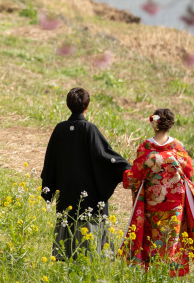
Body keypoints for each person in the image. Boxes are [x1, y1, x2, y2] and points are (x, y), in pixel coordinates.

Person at [120, 109, 194, 276]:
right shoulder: (177, 147)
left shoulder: (146, 147)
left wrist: (126, 176)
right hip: (175, 203)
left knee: (153, 238)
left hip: (153, 203)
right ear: (170, 125)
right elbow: (189, 172)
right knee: (173, 240)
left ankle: (153, 274)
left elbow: (135, 176)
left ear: (153, 124)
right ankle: (170, 274)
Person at [40, 87, 131, 260]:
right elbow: (105, 156)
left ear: (68, 105)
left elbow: (50, 160)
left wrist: (49, 189)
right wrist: (126, 167)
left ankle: (66, 256)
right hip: (89, 196)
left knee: (68, 218)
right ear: (86, 107)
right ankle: (90, 257)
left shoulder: (60, 129)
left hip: (66, 193)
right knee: (89, 228)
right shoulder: (89, 129)